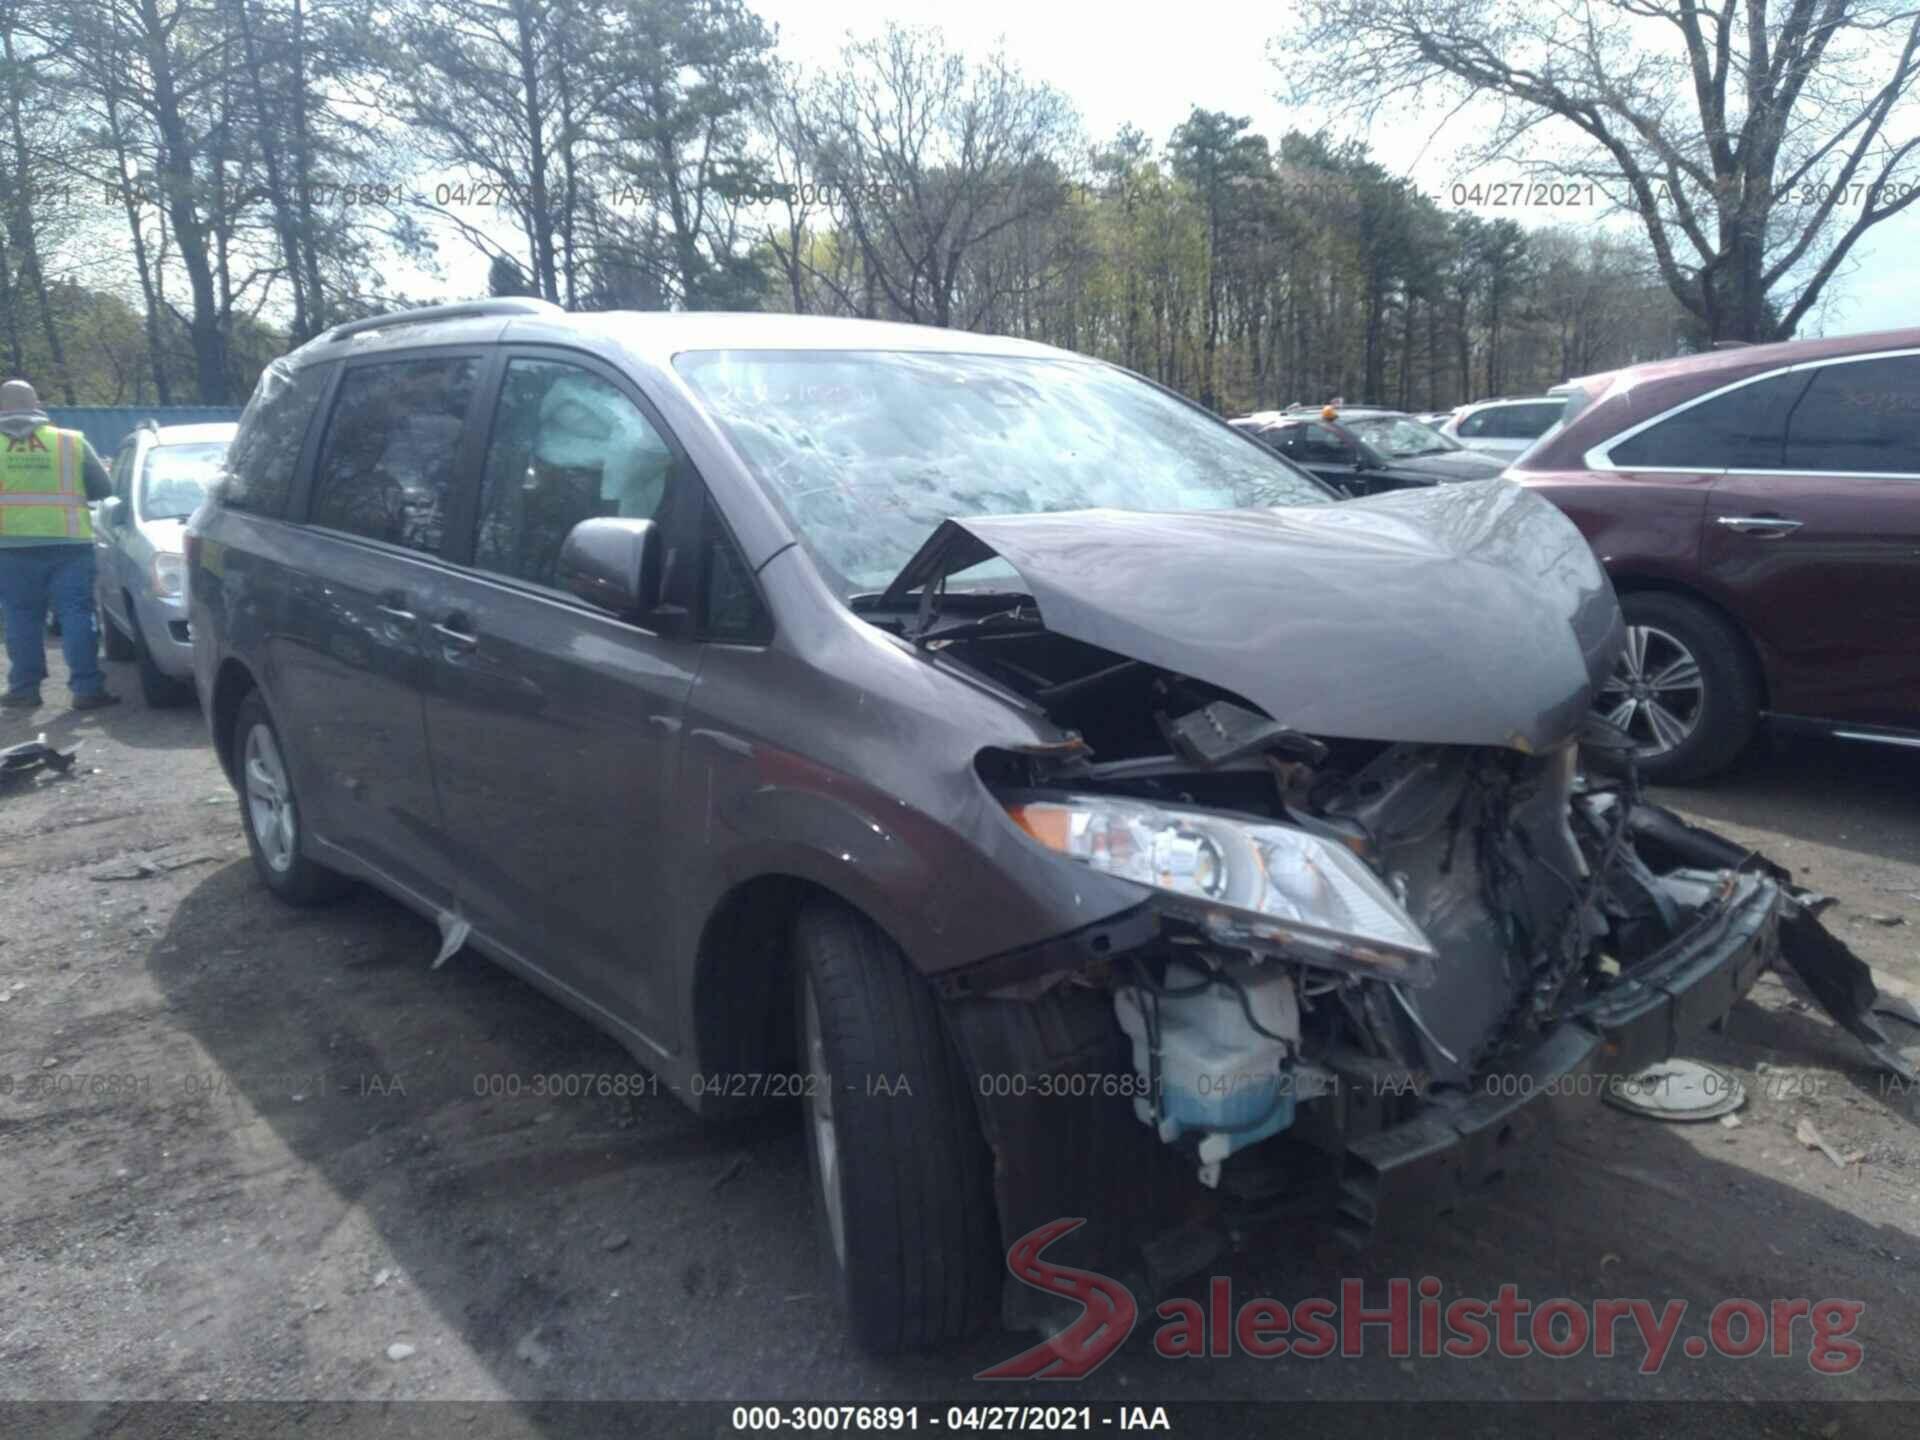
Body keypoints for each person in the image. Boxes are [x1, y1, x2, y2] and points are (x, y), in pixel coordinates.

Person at [0, 379, 120, 710]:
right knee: (77, 614)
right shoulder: (70, 442)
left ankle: (25, 689)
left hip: (9, 548)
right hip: (69, 544)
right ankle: (86, 689)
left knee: (21, 617)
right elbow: (102, 487)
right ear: (37, 404)